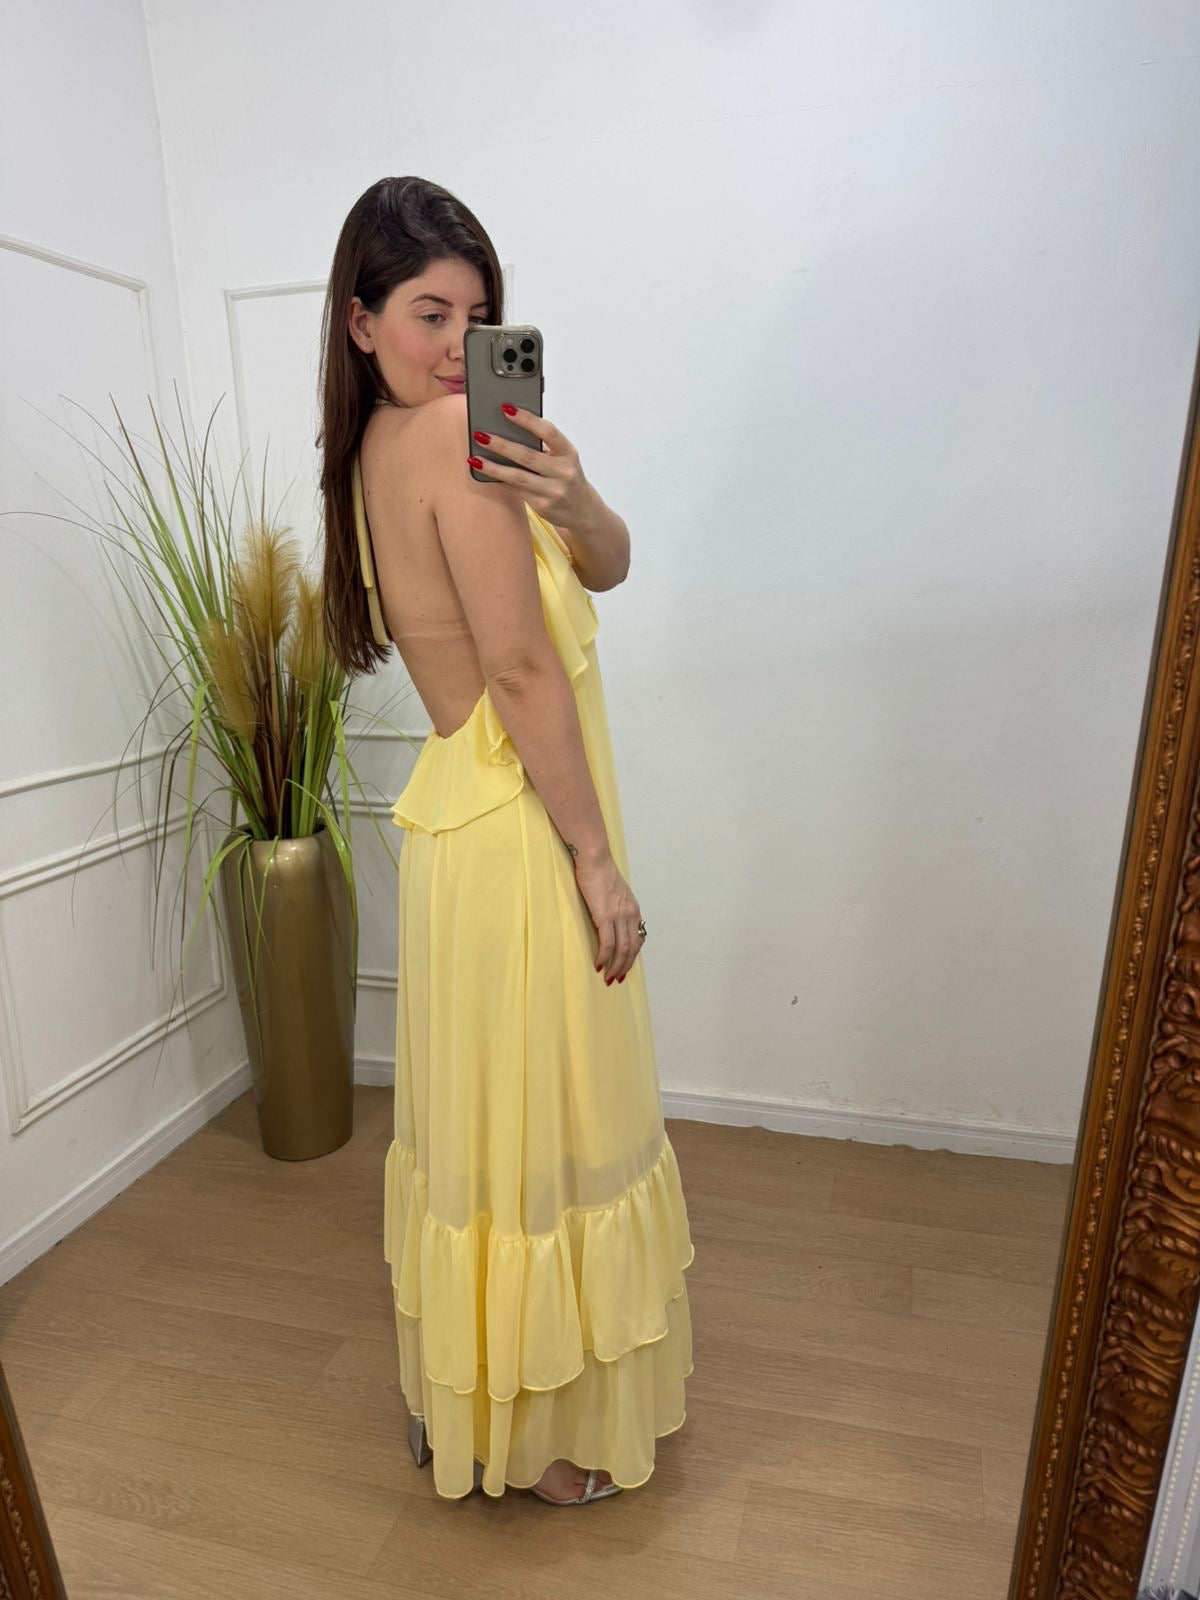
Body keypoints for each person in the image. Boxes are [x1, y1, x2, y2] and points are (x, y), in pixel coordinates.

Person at [317, 176, 695, 1505]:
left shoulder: (385, 446)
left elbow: (609, 565)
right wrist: (595, 858)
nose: (454, 345)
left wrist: (572, 496)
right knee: (547, 1131)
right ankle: (534, 1440)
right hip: (526, 826)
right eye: (429, 314)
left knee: (491, 1138)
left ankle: (466, 1396)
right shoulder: (442, 441)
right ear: (360, 321)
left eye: (478, 319)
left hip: (468, 823)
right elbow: (524, 671)